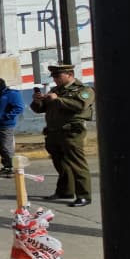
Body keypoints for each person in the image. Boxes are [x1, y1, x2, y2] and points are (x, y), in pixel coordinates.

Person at [30, 64, 95, 206]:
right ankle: (65, 191)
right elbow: (40, 109)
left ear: (70, 75)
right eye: (53, 76)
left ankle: (84, 195)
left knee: (77, 164)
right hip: (54, 132)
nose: (55, 79)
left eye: (58, 76)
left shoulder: (84, 90)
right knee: (60, 163)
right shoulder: (55, 90)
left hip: (71, 132)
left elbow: (80, 105)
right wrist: (38, 101)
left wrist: (57, 99)